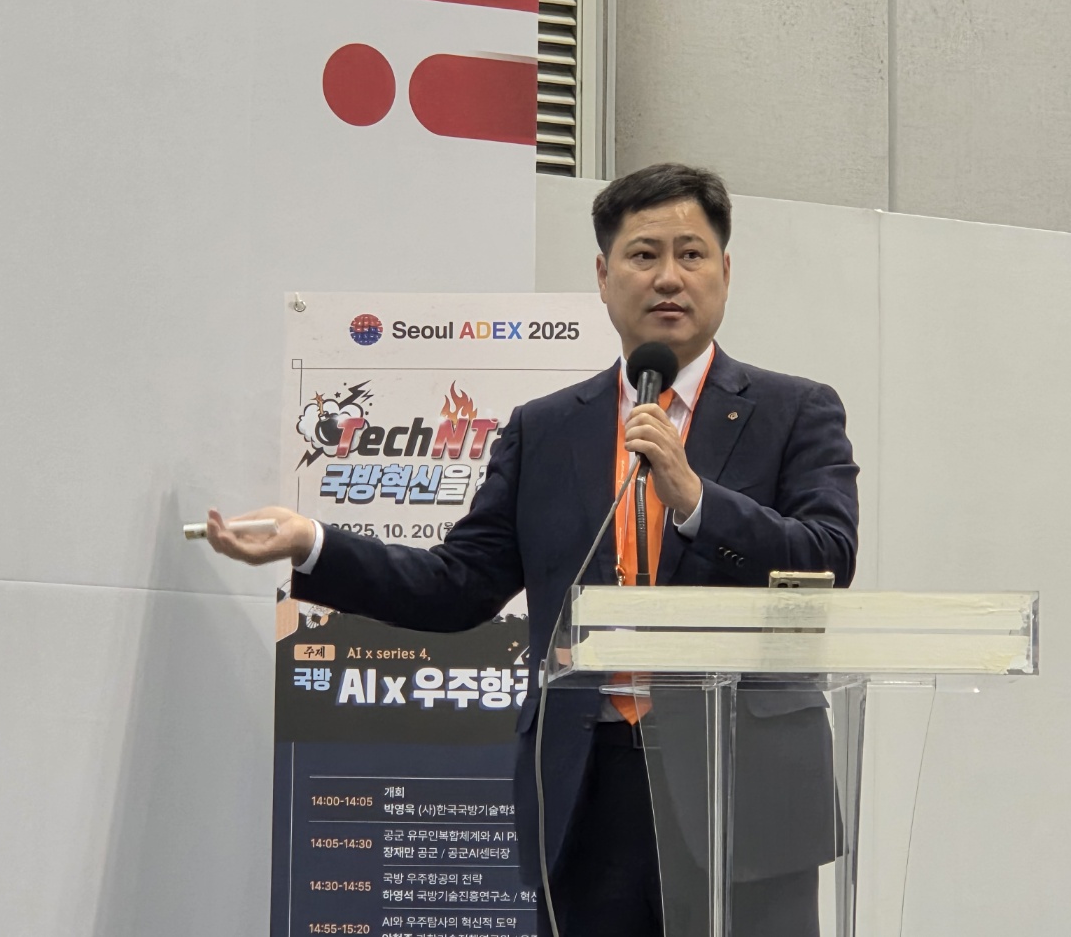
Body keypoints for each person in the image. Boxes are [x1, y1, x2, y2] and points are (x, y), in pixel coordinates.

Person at [206, 163, 859, 937]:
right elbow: (457, 585)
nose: (669, 277)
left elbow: (826, 560)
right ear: (604, 276)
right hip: (589, 781)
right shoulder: (547, 429)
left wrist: (695, 499)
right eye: (644, 255)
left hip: (743, 780)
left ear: (725, 270)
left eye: (692, 254)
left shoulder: (795, 410)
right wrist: (313, 544)